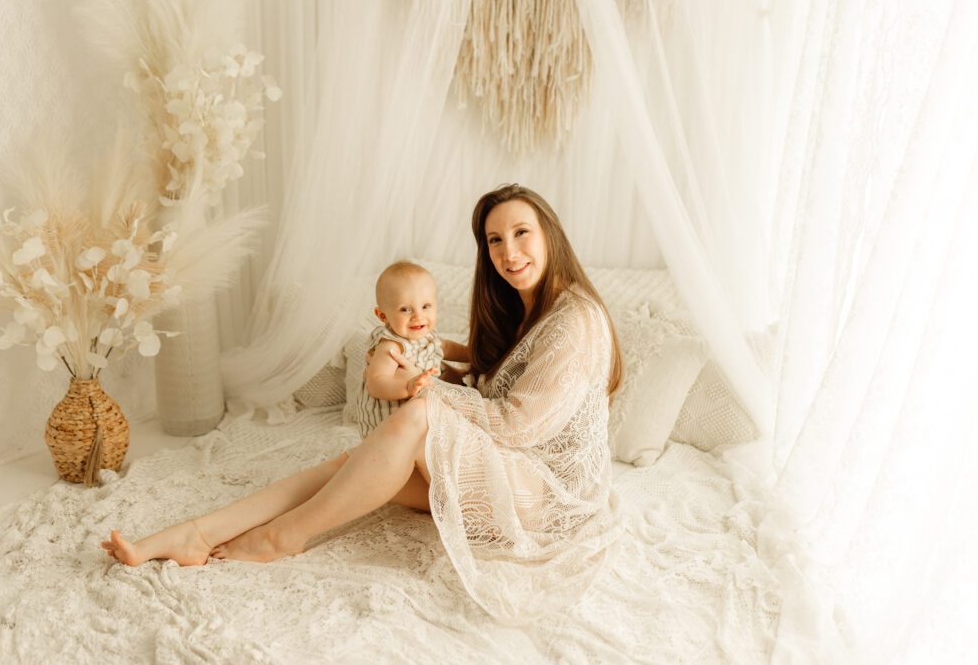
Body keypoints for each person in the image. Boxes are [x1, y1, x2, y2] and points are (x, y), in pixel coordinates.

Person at [101, 184, 624, 623]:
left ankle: (282, 536)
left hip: (544, 500)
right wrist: (434, 358)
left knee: (417, 417)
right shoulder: (521, 311)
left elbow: (516, 423)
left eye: (521, 233)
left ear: (549, 234)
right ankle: (195, 534)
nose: (509, 252)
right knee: (357, 464)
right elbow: (488, 382)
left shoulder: (574, 320)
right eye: (495, 240)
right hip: (506, 473)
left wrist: (426, 387)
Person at [353, 261, 470, 438]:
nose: (418, 316)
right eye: (405, 309)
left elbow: (445, 347)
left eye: (425, 306)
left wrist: (473, 355)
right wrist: (407, 387)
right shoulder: (391, 346)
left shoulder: (427, 336)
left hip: (419, 417)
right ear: (383, 316)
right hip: (389, 424)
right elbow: (375, 383)